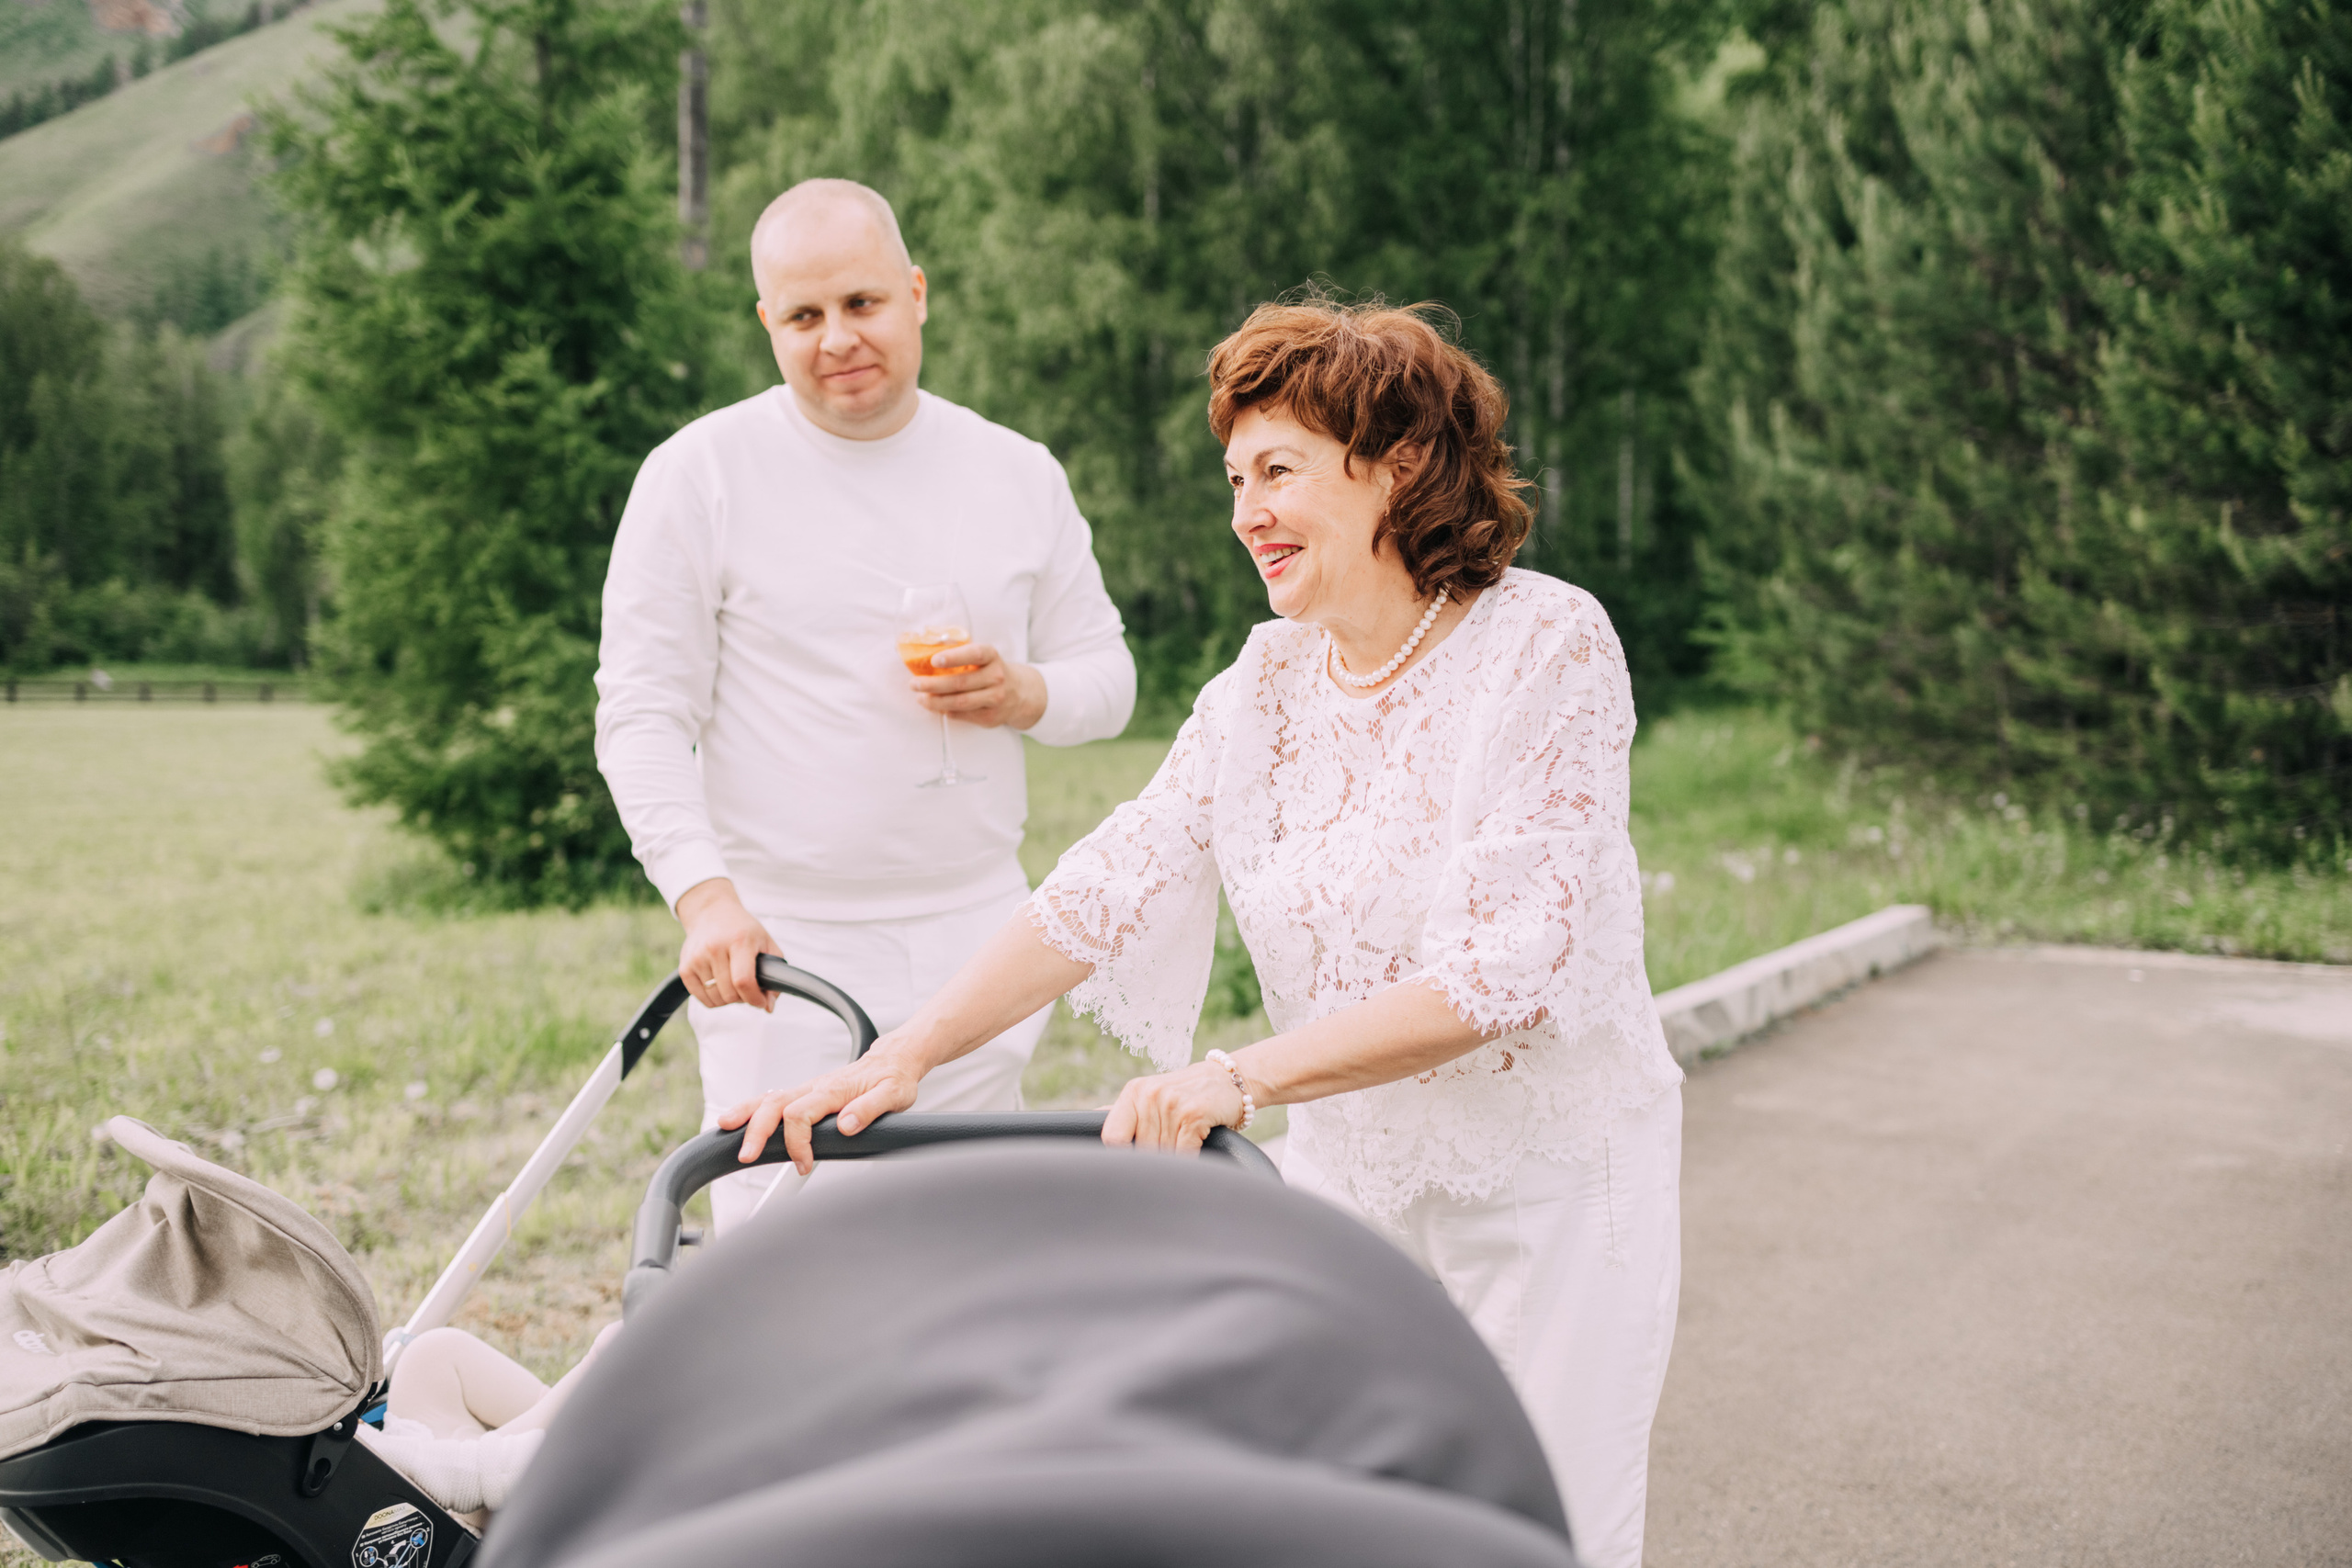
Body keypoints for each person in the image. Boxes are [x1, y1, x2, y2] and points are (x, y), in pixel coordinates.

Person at [721, 299, 1687, 1566]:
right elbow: (1106, 882)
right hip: (1354, 1196)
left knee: (1529, 1539)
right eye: (1234, 479)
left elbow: (1506, 968)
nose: (1246, 511)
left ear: (1395, 459)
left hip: (1549, 1194)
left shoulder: (1546, 645)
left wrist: (1239, 1075)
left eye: (1278, 468)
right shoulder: (1263, 685)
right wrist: (905, 1050)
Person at [595, 179, 1136, 1233]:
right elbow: (640, 712)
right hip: (786, 950)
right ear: (767, 325)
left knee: (965, 1239)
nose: (837, 338)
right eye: (803, 316)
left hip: (978, 930)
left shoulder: (1017, 472)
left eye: (862, 303)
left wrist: (1026, 692)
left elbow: (1107, 683)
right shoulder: (696, 473)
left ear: (918, 293)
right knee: (781, 1248)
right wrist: (704, 899)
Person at [365, 1324, 619, 1515]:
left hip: (385, 1453)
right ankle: (578, 1444)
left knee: (433, 1352)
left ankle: (563, 1431)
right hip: (411, 1510)